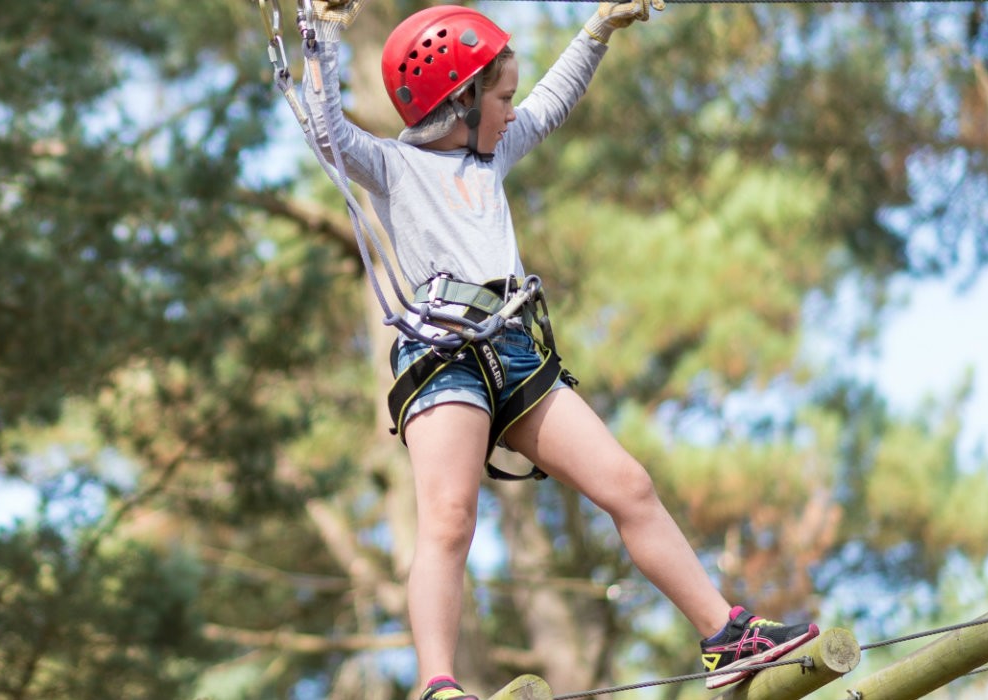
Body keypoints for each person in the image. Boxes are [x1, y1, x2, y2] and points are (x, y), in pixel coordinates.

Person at [305, 3, 820, 697]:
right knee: (451, 515)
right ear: (458, 100)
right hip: (445, 356)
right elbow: (325, 130)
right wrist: (321, 30)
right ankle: (437, 685)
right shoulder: (394, 167)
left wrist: (598, 29)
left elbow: (552, 103)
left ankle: (725, 637)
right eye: (501, 98)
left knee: (629, 485)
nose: (514, 113)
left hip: (516, 350)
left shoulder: (491, 158)